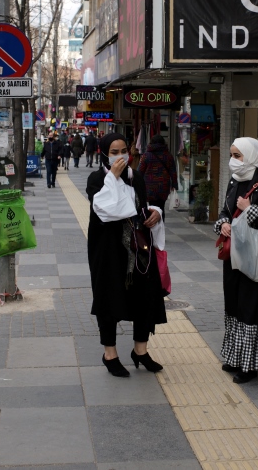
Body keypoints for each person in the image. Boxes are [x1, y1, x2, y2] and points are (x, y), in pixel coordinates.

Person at [87, 133, 167, 377]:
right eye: (113, 152)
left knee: (145, 295)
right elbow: (106, 210)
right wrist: (113, 178)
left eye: (123, 150)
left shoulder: (137, 178)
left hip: (138, 249)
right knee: (109, 298)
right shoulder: (97, 178)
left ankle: (140, 351)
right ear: (103, 154)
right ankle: (110, 353)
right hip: (108, 250)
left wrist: (155, 213)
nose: (120, 156)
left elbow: (141, 207)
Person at [213, 138, 258, 384]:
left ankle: (249, 365)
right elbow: (225, 210)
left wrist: (250, 208)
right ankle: (234, 357)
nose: (234, 160)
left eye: (238, 155)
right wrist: (222, 224)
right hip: (233, 254)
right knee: (233, 304)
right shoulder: (234, 181)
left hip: (256, 256)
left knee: (250, 306)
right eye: (232, 155)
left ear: (251, 156)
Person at [137, 135, 178, 222]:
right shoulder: (168, 156)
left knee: (152, 207)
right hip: (164, 186)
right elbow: (173, 172)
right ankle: (160, 225)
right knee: (161, 206)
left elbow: (139, 172)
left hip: (150, 186)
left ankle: (154, 227)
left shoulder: (146, 155)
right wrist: (174, 184)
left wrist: (137, 185)